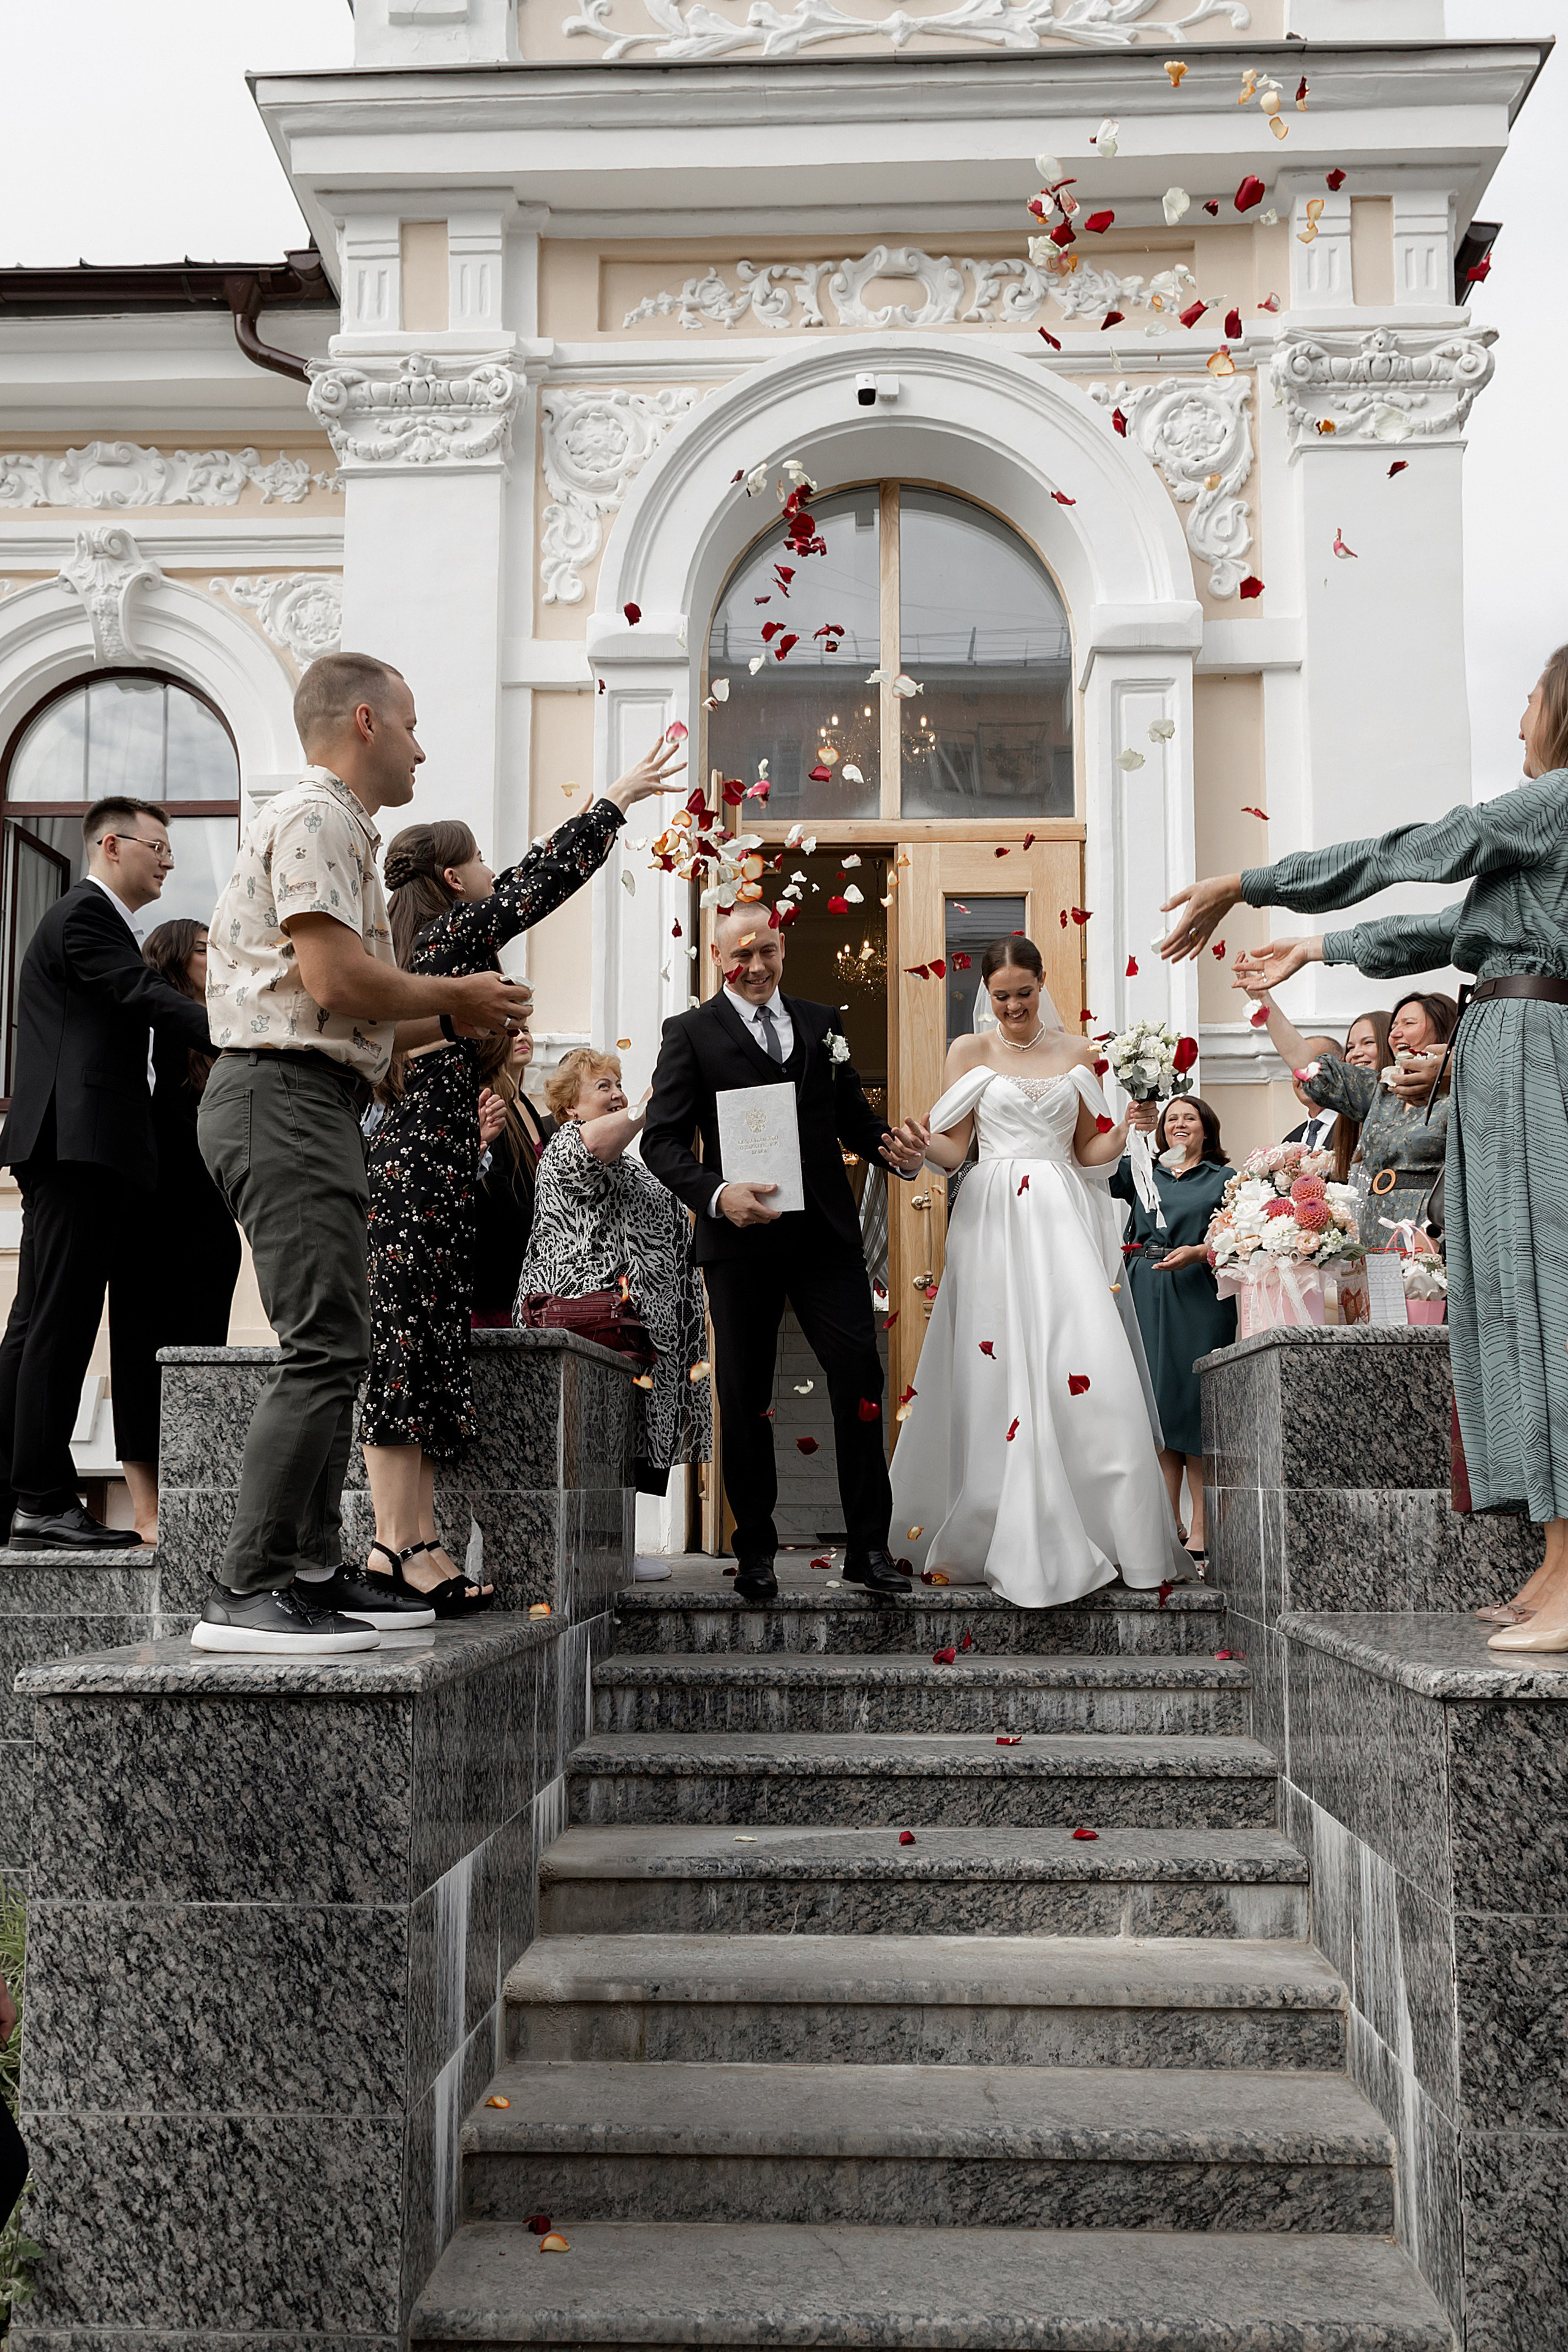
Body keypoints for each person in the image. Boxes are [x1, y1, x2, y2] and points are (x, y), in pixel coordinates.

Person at [1160, 641, 1568, 1655]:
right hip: (1507, 1046)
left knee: (1544, 1295)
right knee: (1508, 1297)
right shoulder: (1545, 826)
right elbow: (1449, 928)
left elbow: (1418, 849)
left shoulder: (1554, 798)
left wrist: (1258, 882)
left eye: (1529, 698)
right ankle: (1557, 1560)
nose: (1518, 715)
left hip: (1534, 1052)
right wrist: (1317, 948)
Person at [192, 651, 530, 1656]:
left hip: (308, 1093)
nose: (426, 748)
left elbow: (356, 1027)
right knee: (326, 1346)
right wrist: (460, 998)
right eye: (417, 726)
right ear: (370, 722)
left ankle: (302, 1571)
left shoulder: (338, 826)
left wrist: (460, 1028)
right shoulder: (317, 816)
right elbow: (337, 982)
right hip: (279, 1096)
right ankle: (246, 1586)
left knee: (339, 1342)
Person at [358, 743, 682, 1611]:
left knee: (427, 1349)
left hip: (433, 1160)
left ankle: (418, 1541)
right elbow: (537, 884)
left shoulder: (421, 944)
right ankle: (392, 1545)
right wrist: (612, 801)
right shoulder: (449, 937)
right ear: (457, 880)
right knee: (406, 1353)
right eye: (480, 861)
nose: (493, 873)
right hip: (421, 1162)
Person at [888, 935, 1188, 1608]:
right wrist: (916, 1145)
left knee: (1082, 1356)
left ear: (1042, 984)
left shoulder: (1080, 1052)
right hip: (991, 1217)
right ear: (985, 995)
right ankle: (992, 1525)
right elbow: (952, 1147)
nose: (1014, 1006)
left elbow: (1089, 1151)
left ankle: (1108, 1528)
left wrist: (1132, 1124)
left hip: (1059, 1216)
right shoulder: (968, 1052)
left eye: (1024, 993)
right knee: (995, 1364)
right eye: (1002, 996)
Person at [641, 901, 927, 1604]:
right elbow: (661, 1141)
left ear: (781, 946)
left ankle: (867, 1549)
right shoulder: (690, 1033)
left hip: (825, 1236)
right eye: (741, 955)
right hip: (739, 1241)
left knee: (860, 1376)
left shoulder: (821, 1023)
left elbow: (854, 1119)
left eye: (767, 950)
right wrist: (716, 1194)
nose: (757, 965)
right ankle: (755, 1553)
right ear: (716, 959)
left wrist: (901, 1155)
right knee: (744, 1393)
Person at [0, 797, 213, 1550]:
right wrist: (242, 1031)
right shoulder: (85, 916)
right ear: (112, 844)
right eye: (158, 846)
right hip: (77, 1148)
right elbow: (145, 994)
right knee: (57, 1323)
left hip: (76, 1150)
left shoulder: (91, 922)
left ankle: (23, 1493)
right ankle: (44, 1501)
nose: (170, 861)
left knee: (36, 1324)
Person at [108, 919, 244, 1545]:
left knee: (202, 1351)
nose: (215, 955)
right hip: (146, 1207)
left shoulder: (227, 1025)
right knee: (138, 1354)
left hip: (209, 1211)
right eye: (201, 949)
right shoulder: (148, 1022)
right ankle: (146, 1512)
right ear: (171, 960)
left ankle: (195, 1496)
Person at [519, 1049, 709, 1490]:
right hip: (595, 1331)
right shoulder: (567, 1145)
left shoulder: (628, 1165)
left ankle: (613, 1551)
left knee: (621, 1457)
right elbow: (596, 1145)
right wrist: (653, 1100)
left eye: (619, 1085)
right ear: (570, 1106)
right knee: (593, 1450)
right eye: (603, 1087)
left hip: (635, 1337)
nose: (618, 1095)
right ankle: (596, 1552)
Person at [1109, 1094, 1236, 1568]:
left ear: (1207, 1129)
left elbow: (1238, 1235)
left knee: (1194, 1402)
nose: (1180, 1124)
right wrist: (1134, 1126)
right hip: (1144, 1289)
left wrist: (1200, 1251)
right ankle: (1166, 1522)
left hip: (1198, 1292)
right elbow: (1098, 1169)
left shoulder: (1224, 1178)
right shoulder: (1143, 1171)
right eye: (1172, 1119)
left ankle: (1201, 1524)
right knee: (1157, 1403)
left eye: (1190, 1118)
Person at [1242, 984, 1455, 1246]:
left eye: (1409, 1023)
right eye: (1393, 1027)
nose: (1396, 1033)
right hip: (1376, 1228)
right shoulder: (1381, 1091)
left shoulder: (1462, 1093)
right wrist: (1265, 1002)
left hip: (1431, 1232)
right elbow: (1310, 1069)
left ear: (1443, 1030)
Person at [472, 1028, 554, 1327]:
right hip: (499, 1267)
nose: (523, 1036)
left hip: (528, 1262)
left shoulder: (527, 1105)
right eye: (513, 1031)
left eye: (528, 1030)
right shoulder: (488, 1101)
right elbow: (493, 1183)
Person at [1281, 1035, 1344, 1150]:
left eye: (1312, 1065)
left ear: (1340, 1066)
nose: (1303, 1076)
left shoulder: (1356, 1129)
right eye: (1297, 1067)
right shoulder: (1290, 1141)